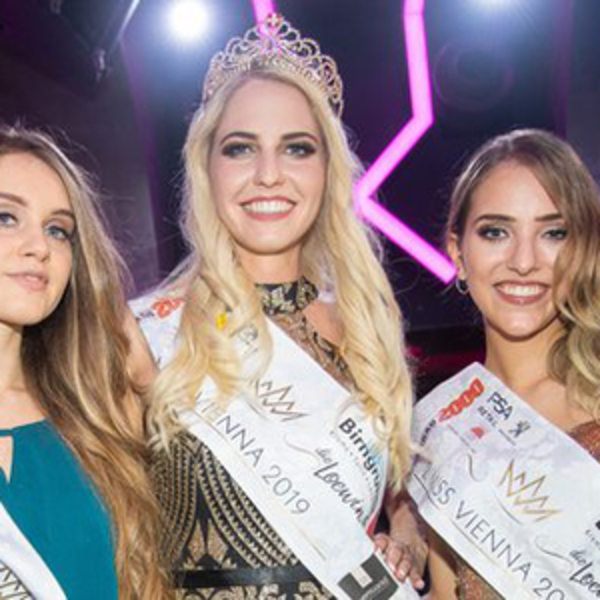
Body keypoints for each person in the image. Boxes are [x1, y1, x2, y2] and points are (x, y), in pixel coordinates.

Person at [130, 14, 423, 599]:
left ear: (327, 170)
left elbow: (397, 493)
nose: (269, 175)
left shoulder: (366, 332)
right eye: (241, 149)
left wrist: (408, 532)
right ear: (206, 168)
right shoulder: (146, 332)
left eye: (297, 148)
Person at [424, 128, 600, 598]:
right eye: (496, 232)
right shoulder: (438, 428)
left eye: (553, 233)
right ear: (458, 252)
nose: (524, 261)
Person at [0, 125, 167, 599]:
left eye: (58, 230)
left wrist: (145, 376)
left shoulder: (96, 415)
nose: (40, 247)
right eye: (6, 217)